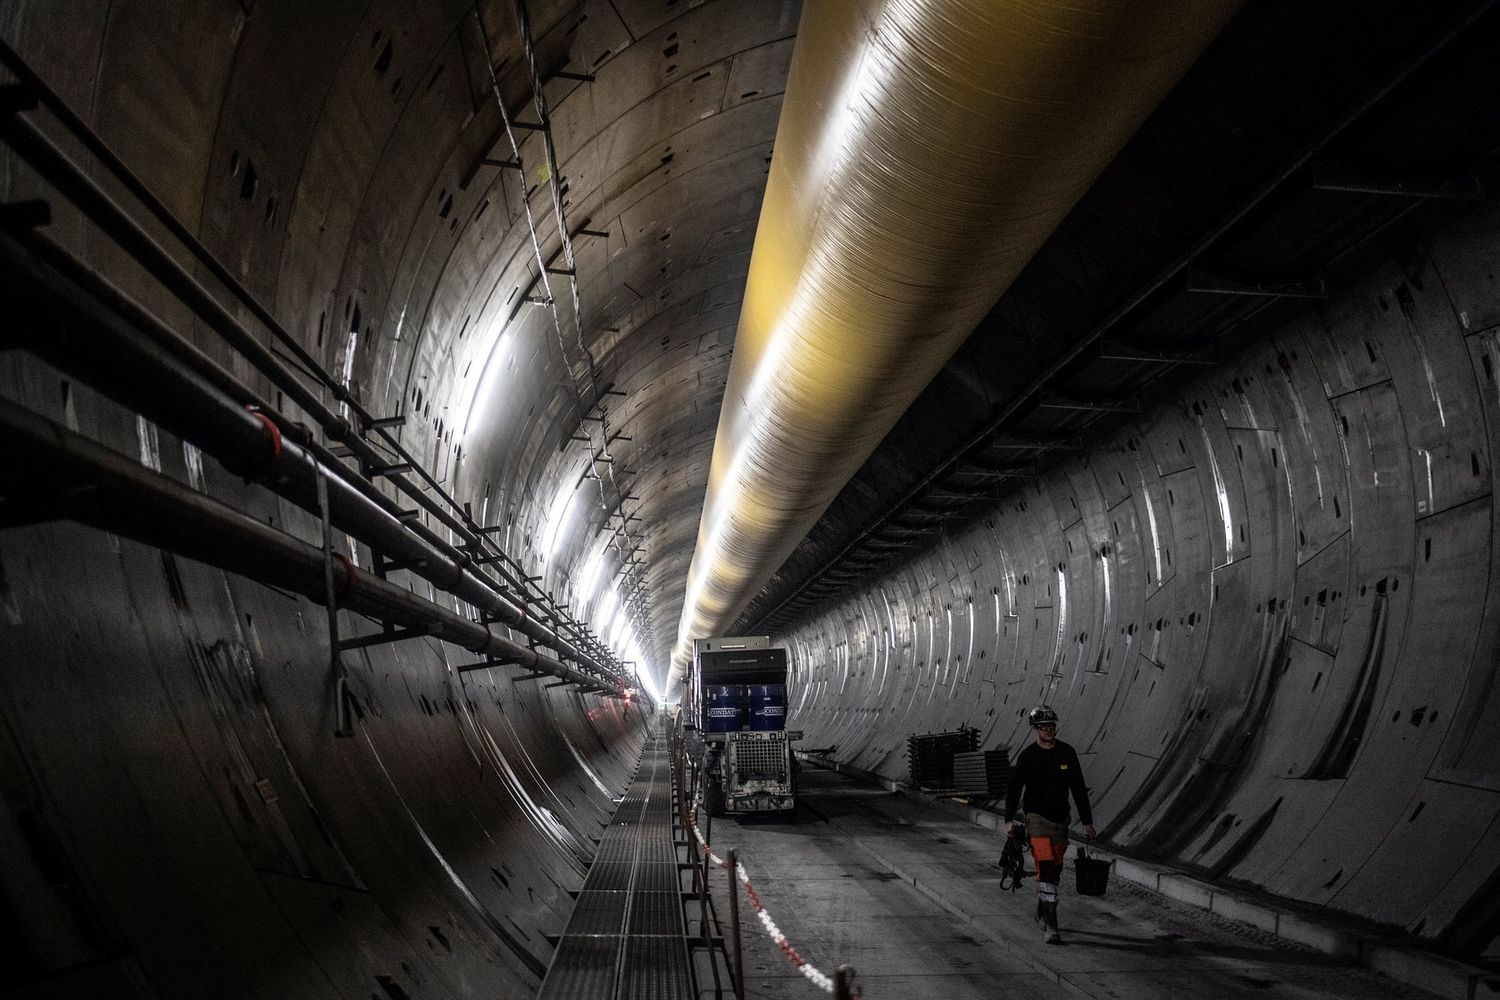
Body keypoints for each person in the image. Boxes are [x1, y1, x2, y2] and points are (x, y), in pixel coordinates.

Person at [1005, 705, 1095, 943]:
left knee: (1053, 870)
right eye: (1044, 727)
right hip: (1036, 818)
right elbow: (1014, 788)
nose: (1048, 730)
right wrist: (1008, 819)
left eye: (1051, 726)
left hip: (1060, 821)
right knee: (1044, 865)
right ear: (1035, 729)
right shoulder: (1028, 756)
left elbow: (1078, 787)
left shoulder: (1066, 753)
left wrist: (1087, 821)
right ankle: (1052, 925)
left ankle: (1041, 909)